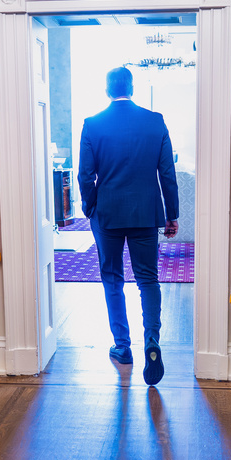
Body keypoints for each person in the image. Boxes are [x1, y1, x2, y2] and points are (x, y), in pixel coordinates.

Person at [78, 66, 179, 385]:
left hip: (107, 213)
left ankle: (122, 347)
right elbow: (167, 174)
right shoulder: (155, 121)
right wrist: (172, 214)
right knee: (148, 279)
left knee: (112, 278)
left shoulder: (92, 124)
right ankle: (152, 340)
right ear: (132, 88)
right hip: (145, 212)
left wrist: (90, 207)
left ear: (107, 90)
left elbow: (85, 175)